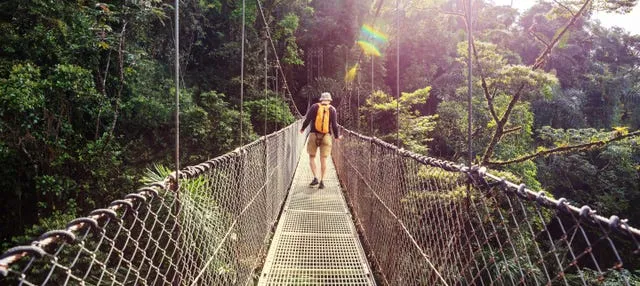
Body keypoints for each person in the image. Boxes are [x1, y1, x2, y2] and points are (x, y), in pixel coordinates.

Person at [299, 92, 342, 189]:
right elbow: (334, 125)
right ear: (330, 100)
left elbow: (307, 119)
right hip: (326, 136)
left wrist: (302, 129)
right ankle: (322, 181)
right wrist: (336, 136)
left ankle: (315, 178)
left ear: (321, 99)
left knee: (312, 157)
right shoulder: (332, 109)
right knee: (323, 159)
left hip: (314, 134)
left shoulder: (314, 107)